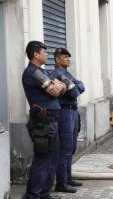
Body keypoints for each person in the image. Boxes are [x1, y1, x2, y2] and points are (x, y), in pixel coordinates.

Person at [22, 41, 66, 199]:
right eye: (45, 52)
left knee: (52, 159)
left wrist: (59, 86)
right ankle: (33, 195)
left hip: (51, 121)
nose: (48, 55)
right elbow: (56, 91)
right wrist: (58, 86)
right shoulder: (33, 72)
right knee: (43, 159)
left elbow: (64, 87)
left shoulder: (42, 72)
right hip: (42, 123)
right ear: (36, 54)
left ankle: (44, 193)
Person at [51, 48, 85, 193]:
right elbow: (75, 92)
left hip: (72, 111)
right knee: (65, 148)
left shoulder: (66, 73)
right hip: (64, 112)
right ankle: (61, 182)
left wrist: (76, 86)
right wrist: (75, 87)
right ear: (57, 59)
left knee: (70, 148)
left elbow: (81, 85)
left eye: (69, 57)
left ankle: (68, 177)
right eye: (65, 57)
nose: (68, 59)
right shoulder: (57, 74)